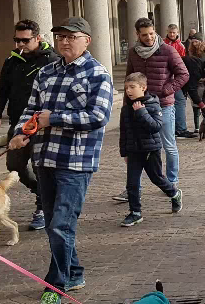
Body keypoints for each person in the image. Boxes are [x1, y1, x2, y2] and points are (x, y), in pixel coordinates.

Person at [7, 17, 113, 304]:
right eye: (60, 37)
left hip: (76, 162)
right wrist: (20, 133)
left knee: (61, 224)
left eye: (71, 36)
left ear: (86, 40)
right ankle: (74, 271)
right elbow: (30, 110)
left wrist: (53, 119)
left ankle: (57, 284)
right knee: (56, 222)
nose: (64, 41)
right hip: (45, 158)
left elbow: (98, 117)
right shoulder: (46, 72)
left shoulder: (97, 74)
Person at [0, 19, 59, 231]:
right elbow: (2, 92)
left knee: (40, 166)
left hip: (42, 124)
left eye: (25, 40)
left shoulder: (52, 60)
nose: (20, 45)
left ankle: (42, 207)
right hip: (18, 122)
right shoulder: (12, 61)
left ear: (38, 38)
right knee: (14, 165)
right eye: (17, 40)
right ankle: (41, 192)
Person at [126, 18, 189, 190]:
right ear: (137, 34)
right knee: (137, 146)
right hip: (140, 105)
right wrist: (128, 103)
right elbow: (129, 78)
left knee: (168, 145)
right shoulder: (133, 52)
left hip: (163, 104)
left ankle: (172, 180)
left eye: (152, 33)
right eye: (144, 35)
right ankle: (133, 187)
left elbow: (183, 74)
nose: (149, 38)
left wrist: (166, 90)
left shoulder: (167, 50)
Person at [118, 72, 183, 228]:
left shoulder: (152, 104)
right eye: (127, 88)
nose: (129, 91)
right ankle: (135, 213)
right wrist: (124, 152)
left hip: (150, 150)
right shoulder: (126, 108)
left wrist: (141, 112)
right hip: (134, 151)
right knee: (132, 183)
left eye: (132, 87)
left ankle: (174, 193)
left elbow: (155, 127)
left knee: (157, 178)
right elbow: (124, 131)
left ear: (143, 87)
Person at [163, 24, 191, 138]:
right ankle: (179, 128)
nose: (172, 34)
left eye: (174, 32)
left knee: (178, 102)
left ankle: (177, 127)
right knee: (176, 102)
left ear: (177, 32)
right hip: (168, 76)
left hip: (176, 77)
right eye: (170, 32)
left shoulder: (181, 46)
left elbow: (182, 62)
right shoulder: (163, 44)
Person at [182, 40, 205, 134]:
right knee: (180, 103)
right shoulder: (196, 70)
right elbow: (191, 89)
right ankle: (181, 129)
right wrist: (202, 105)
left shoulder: (199, 62)